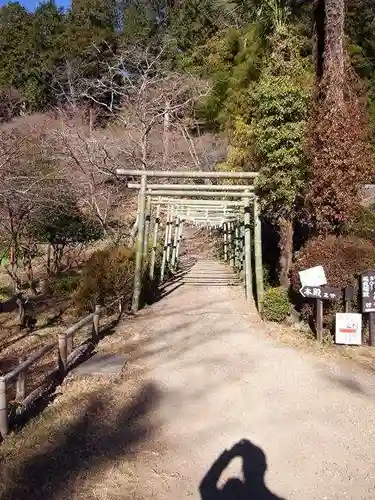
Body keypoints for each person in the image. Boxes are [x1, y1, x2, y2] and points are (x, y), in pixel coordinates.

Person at [199, 439, 284, 500]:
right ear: (264, 467)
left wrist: (229, 455)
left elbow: (206, 487)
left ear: (244, 469)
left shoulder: (233, 495)